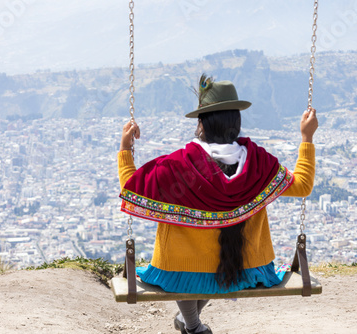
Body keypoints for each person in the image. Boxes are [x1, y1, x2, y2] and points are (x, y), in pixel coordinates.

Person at [118, 74, 318, 334]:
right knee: (213, 272)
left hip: (180, 271)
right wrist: (307, 138)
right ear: (237, 122)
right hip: (243, 270)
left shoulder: (180, 166)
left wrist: (125, 148)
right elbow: (302, 184)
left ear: (202, 124)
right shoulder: (259, 164)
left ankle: (192, 325)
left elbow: (132, 189)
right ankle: (191, 324)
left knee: (189, 271)